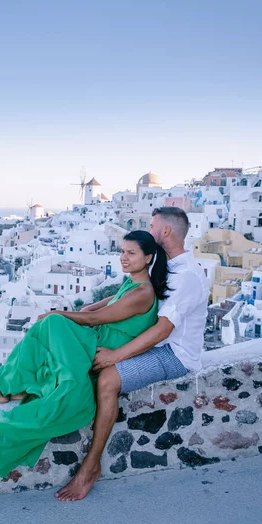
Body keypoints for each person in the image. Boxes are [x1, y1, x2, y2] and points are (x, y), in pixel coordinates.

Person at [0, 230, 169, 478]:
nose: (123, 257)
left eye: (131, 253)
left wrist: (56, 314)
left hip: (99, 346)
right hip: (96, 339)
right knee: (45, 329)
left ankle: (3, 389)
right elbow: (102, 305)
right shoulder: (131, 283)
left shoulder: (143, 292)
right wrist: (79, 309)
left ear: (148, 258)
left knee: (51, 324)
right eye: (122, 252)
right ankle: (3, 388)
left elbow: (94, 318)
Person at [56, 207, 210, 502]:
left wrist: (116, 356)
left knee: (107, 380)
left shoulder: (188, 274)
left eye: (152, 226)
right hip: (152, 343)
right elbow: (132, 289)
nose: (149, 230)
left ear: (165, 231)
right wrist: (92, 308)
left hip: (174, 354)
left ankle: (91, 466)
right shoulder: (161, 263)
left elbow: (164, 329)